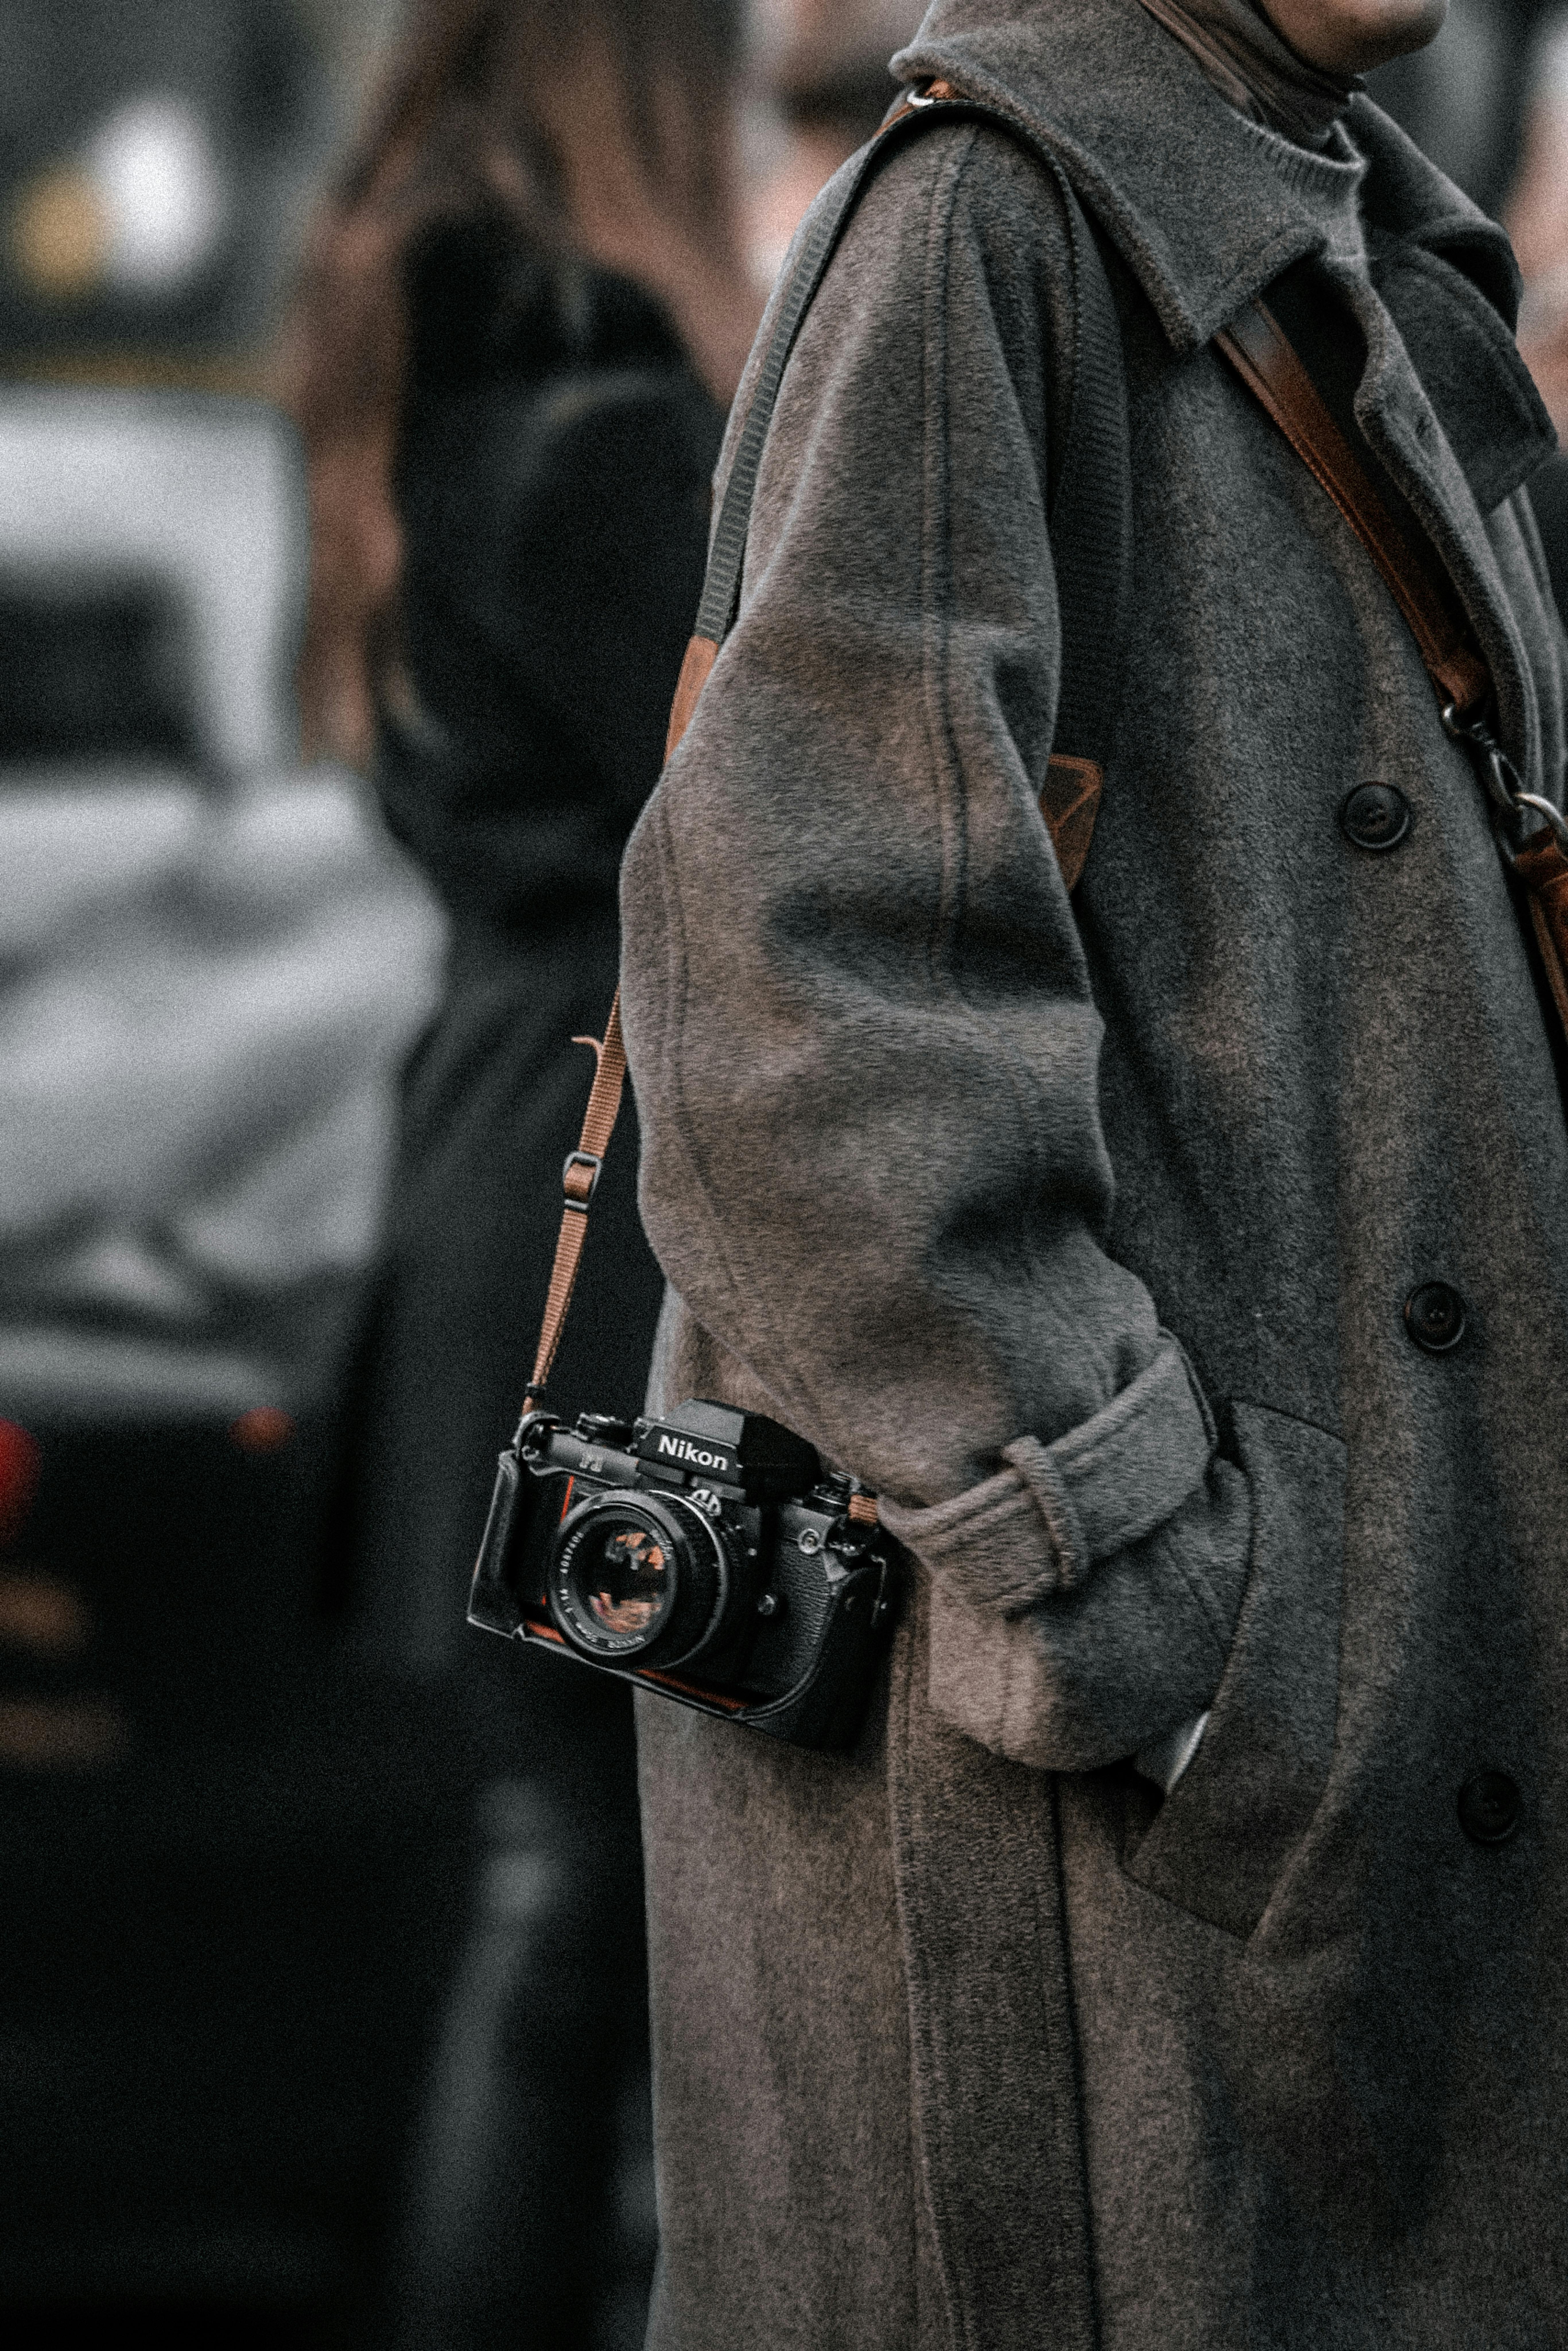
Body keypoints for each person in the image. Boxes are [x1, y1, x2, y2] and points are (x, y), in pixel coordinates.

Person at [616, 0, 1568, 2344]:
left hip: (1313, 1773)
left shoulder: (1348, 242)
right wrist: (1169, 1610)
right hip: (1123, 1817)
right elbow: (792, 1004)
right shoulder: (990, 225)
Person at [277, 4, 754, 2343]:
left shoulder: (423, 364)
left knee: (563, 1891)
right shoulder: (600, 409)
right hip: (613, 1202)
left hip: (491, 1163)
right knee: (615, 1910)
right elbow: (773, 791)